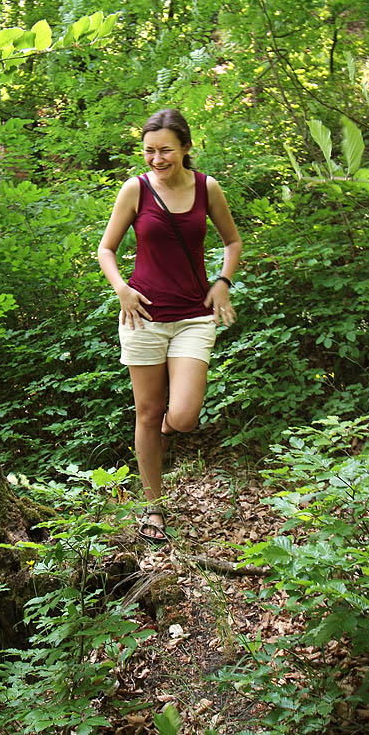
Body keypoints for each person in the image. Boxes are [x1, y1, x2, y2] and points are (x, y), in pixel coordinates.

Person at [97, 108, 242, 542]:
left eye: (165, 150)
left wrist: (223, 282)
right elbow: (106, 249)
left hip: (195, 316)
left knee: (182, 416)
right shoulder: (135, 190)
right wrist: (121, 288)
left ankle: (166, 428)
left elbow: (232, 242)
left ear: (185, 148)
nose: (156, 159)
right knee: (146, 411)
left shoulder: (206, 188)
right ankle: (152, 509)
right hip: (142, 315)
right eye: (149, 151)